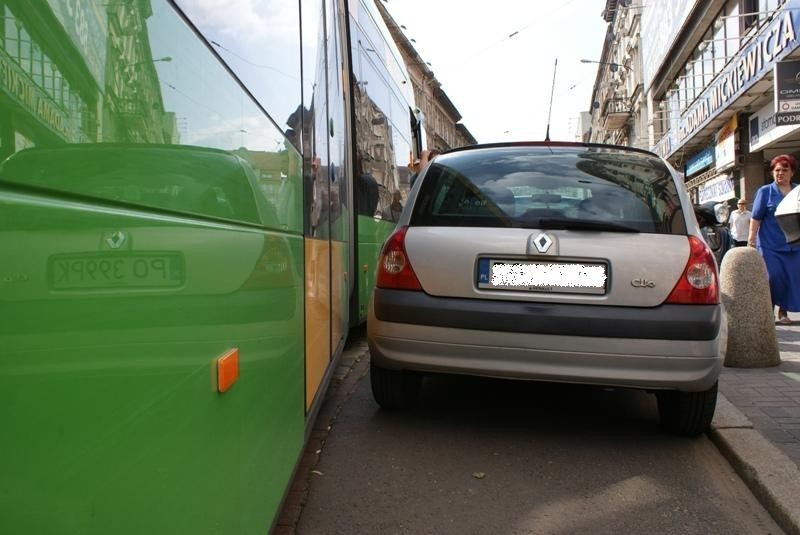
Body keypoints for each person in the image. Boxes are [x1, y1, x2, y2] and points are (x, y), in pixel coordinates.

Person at [747, 154, 800, 324]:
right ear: (772, 173)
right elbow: (756, 218)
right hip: (770, 246)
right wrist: (751, 240)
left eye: (785, 170)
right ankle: (767, 312)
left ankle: (783, 313)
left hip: (795, 245)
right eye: (777, 170)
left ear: (792, 173)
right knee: (773, 277)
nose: (780, 173)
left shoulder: (798, 191)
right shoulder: (765, 192)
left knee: (791, 278)